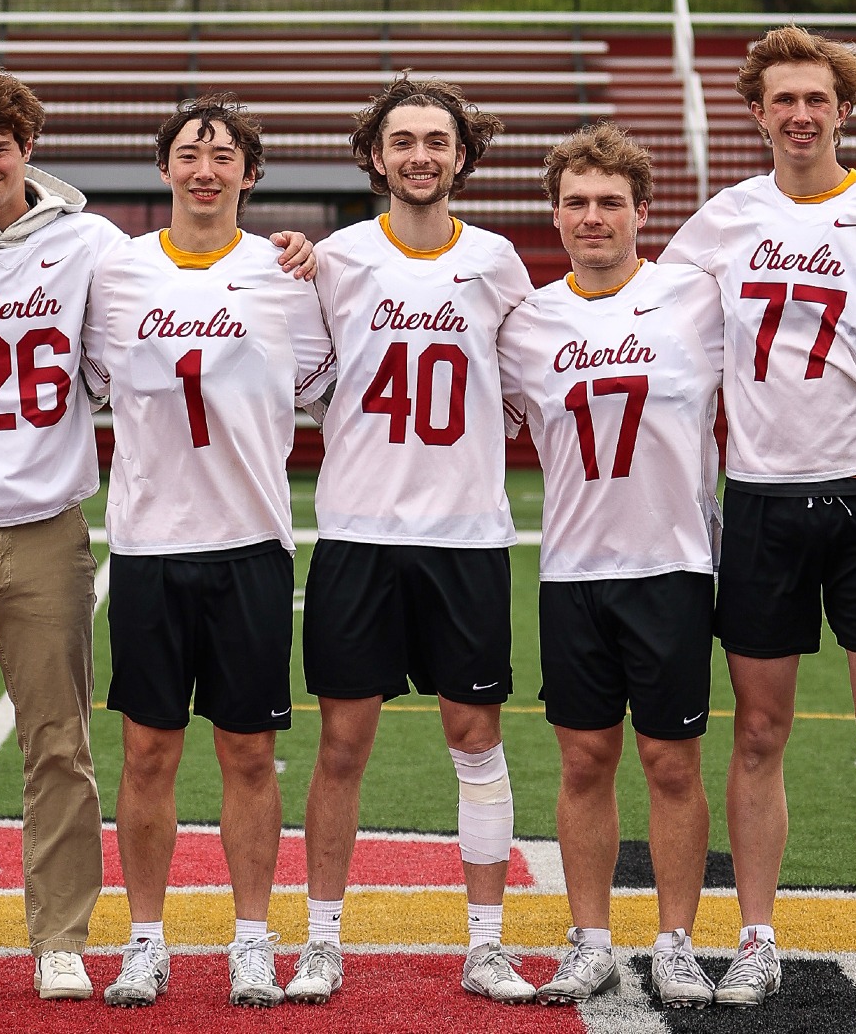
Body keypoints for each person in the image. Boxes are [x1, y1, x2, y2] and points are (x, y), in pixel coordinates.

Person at [0, 64, 312, 1004]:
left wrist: (297, 252)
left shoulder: (94, 249)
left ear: (28, 148)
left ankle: (64, 936)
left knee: (62, 746)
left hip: (51, 528)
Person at [660, 25, 856, 1014]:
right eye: (782, 100)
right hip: (761, 504)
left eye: (817, 99)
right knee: (757, 731)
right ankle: (756, 937)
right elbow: (637, 320)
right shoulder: (721, 222)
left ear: (843, 110)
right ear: (755, 113)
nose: (800, 115)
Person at [291, 76, 535, 1006]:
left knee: (476, 739)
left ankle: (484, 943)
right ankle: (320, 940)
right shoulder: (337, 260)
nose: (420, 155)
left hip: (466, 536)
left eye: (437, 139)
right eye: (403, 140)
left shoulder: (499, 261)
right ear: (375, 154)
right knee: (341, 746)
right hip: (359, 530)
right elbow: (302, 376)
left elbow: (527, 384)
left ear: (462, 155)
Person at [85, 94, 332, 1009]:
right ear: (164, 168)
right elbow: (97, 382)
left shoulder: (287, 273)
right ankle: (146, 939)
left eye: (223, 155)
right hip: (149, 543)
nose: (205, 167)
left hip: (251, 544)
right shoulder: (118, 272)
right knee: (147, 751)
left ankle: (252, 939)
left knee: (249, 756)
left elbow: (319, 387)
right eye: (189, 151)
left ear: (250, 174)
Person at [497, 124, 721, 1010]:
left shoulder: (696, 299)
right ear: (555, 213)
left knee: (672, 762)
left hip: (671, 562)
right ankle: (589, 939)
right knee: (585, 759)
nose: (594, 217)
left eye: (611, 203)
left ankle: (674, 942)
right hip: (574, 571)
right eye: (578, 202)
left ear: (641, 212)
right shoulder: (528, 323)